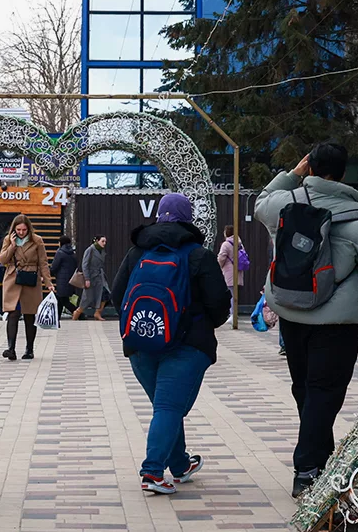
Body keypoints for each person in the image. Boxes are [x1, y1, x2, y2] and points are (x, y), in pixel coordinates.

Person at [254, 143, 358, 498]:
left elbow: (261, 201)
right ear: (342, 173)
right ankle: (307, 469)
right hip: (338, 325)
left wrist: (294, 172)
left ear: (310, 167)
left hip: (292, 311)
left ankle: (318, 461)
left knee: (306, 390)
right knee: (323, 393)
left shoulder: (285, 204)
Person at [111, 193, 230, 495]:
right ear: (188, 218)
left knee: (166, 406)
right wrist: (199, 325)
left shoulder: (137, 252)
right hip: (186, 346)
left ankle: (179, 465)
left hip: (140, 343)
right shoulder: (198, 255)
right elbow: (219, 303)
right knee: (168, 406)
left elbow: (117, 294)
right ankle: (152, 472)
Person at [0, 215, 53, 360]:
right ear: (14, 229)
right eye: (18, 230)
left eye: (24, 229)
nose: (21, 232)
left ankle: (29, 349)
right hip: (13, 279)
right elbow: (2, 260)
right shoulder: (8, 239)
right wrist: (12, 245)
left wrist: (48, 283)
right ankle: (11, 349)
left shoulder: (37, 240)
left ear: (28, 228)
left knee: (30, 315)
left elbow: (43, 263)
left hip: (30, 279)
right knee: (13, 313)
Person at [75, 235, 108, 320]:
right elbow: (84, 265)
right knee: (88, 298)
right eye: (102, 241)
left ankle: (97, 312)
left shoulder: (102, 251)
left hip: (100, 277)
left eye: (105, 241)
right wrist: (87, 279)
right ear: (97, 241)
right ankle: (77, 312)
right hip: (91, 276)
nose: (104, 243)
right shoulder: (90, 250)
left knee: (105, 294)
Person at [216, 225, 244, 324]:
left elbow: (221, 258)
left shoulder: (226, 244)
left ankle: (232, 315)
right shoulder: (239, 243)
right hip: (238, 272)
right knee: (235, 294)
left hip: (229, 273)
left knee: (231, 295)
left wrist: (218, 266)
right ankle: (234, 314)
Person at [50, 235, 77, 318]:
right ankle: (57, 316)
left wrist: (49, 274)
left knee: (63, 299)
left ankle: (79, 313)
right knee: (61, 298)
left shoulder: (60, 252)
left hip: (62, 279)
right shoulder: (72, 252)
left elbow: (55, 266)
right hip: (71, 279)